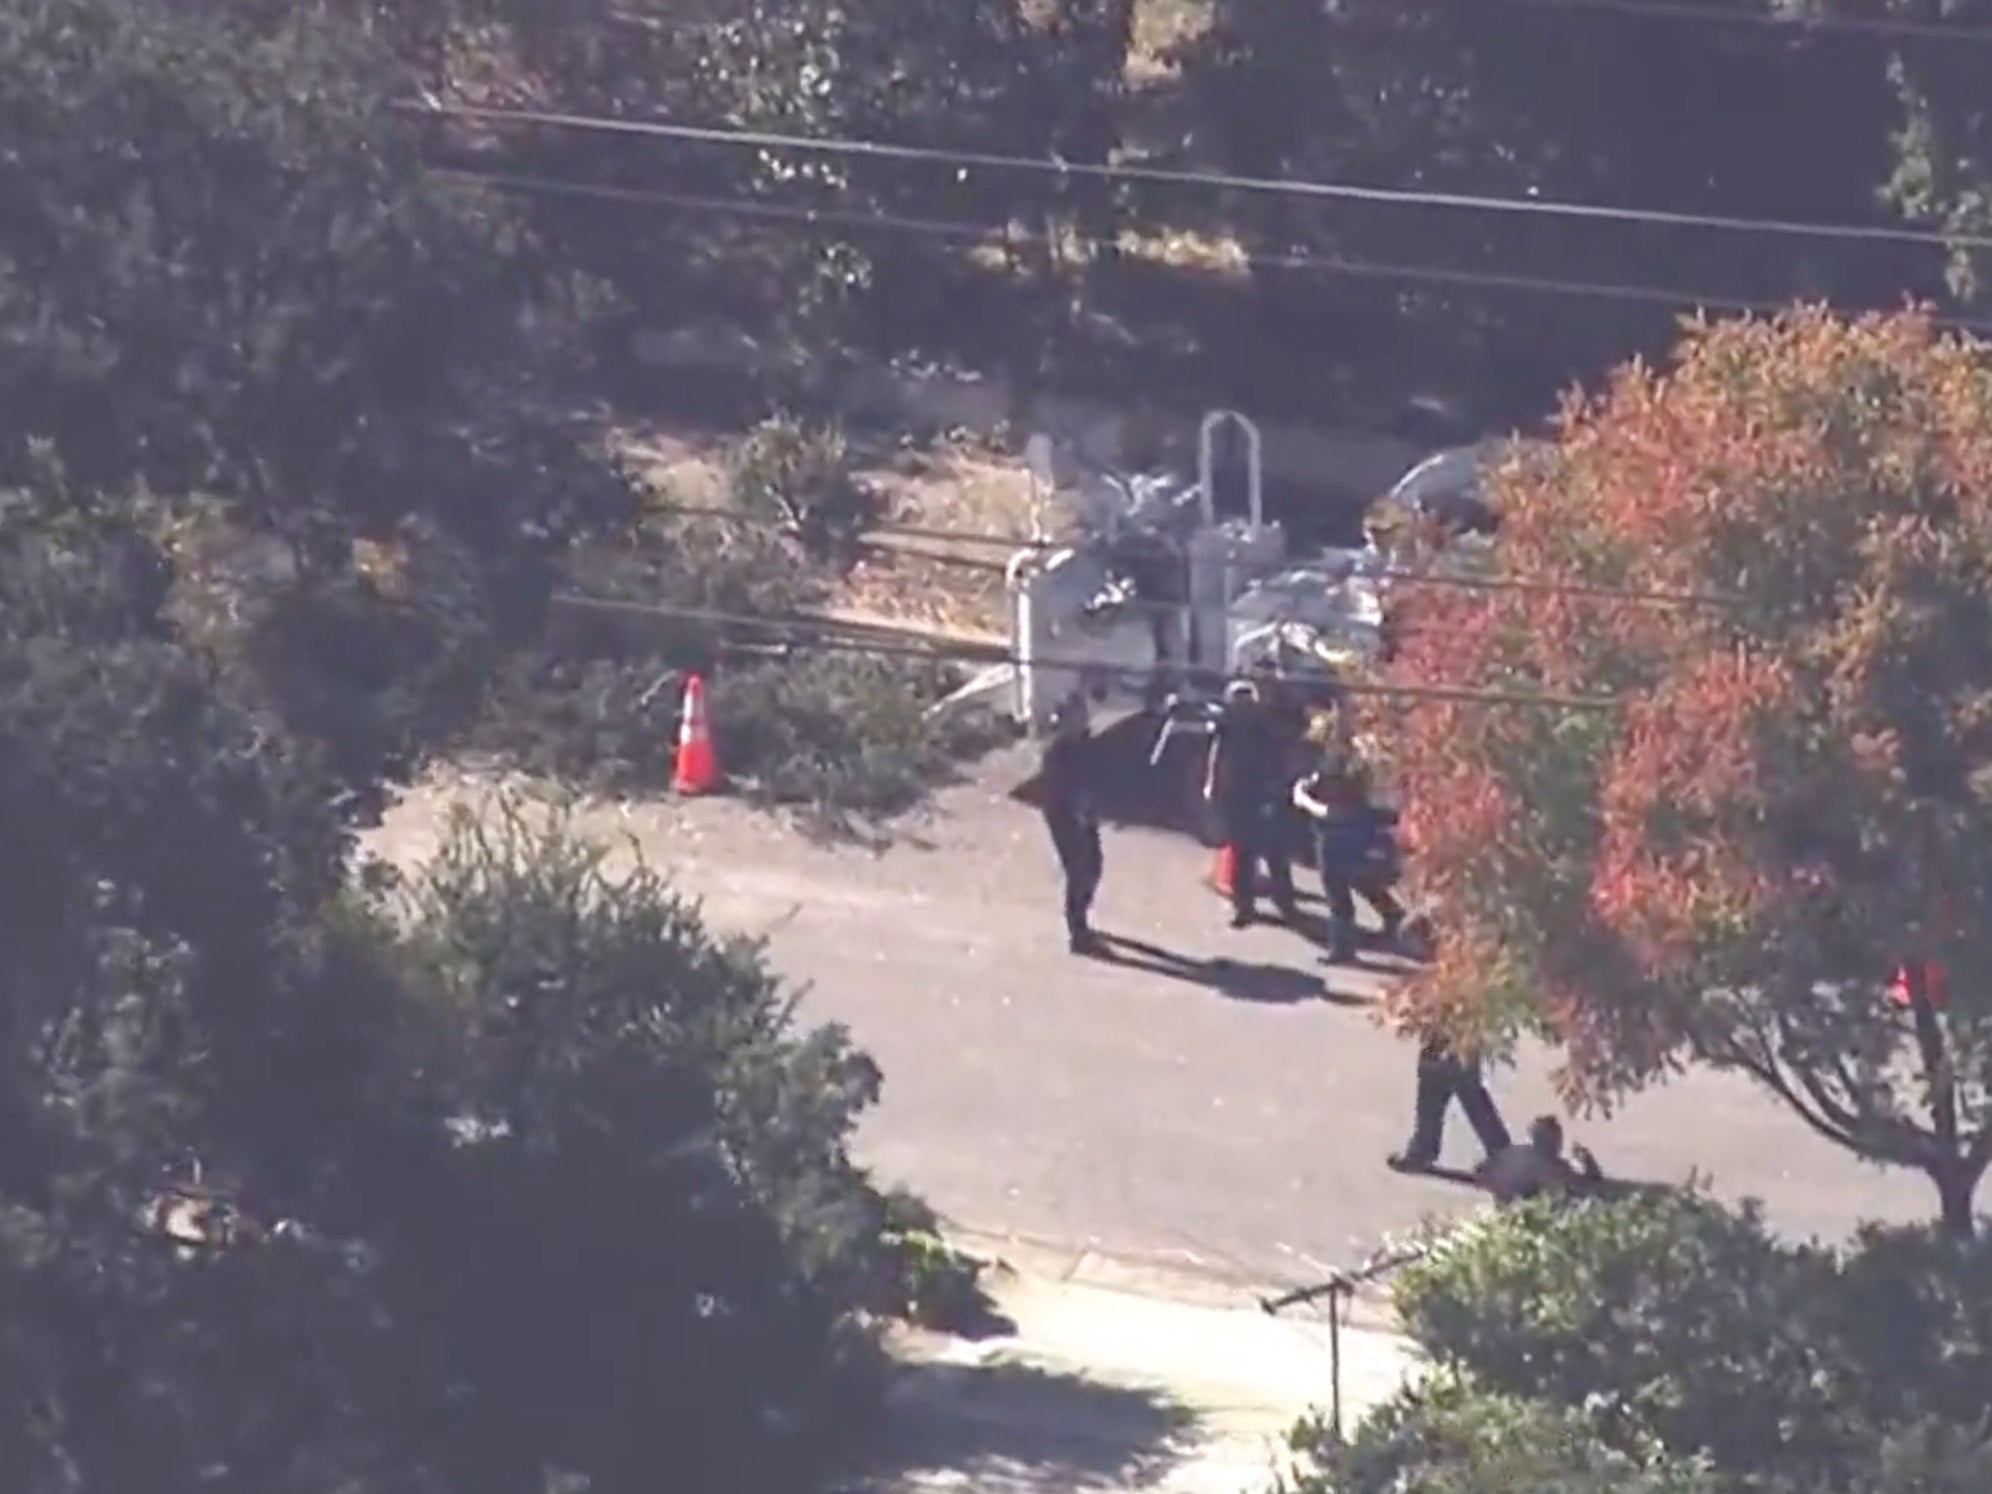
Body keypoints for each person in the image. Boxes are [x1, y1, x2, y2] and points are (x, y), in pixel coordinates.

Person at [1203, 678, 1297, 928]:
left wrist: (1275, 791)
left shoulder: (1264, 728)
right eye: (1237, 700)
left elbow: (1278, 761)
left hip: (1261, 794)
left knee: (1273, 853)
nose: (1241, 706)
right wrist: (1212, 786)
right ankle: (1245, 906)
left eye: (1245, 700)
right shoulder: (1225, 727)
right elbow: (1216, 757)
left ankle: (1284, 903)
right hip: (1238, 796)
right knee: (1244, 855)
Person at [1292, 755, 1405, 963]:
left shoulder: (1346, 776)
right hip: (1355, 831)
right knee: (1362, 879)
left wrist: (1304, 799)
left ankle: (1342, 950)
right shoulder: (1356, 765)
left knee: (1338, 894)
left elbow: (1331, 812)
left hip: (1336, 836)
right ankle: (1392, 914)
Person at [1387, 1032, 1511, 1173]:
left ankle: (1501, 1153)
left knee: (1466, 1088)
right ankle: (1423, 1149)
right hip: (1446, 1036)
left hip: (1459, 1033)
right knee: (1437, 1080)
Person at [1040, 693, 1105, 954]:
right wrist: (1075, 810)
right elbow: (1056, 788)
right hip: (1064, 816)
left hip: (1086, 814)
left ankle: (1082, 918)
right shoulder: (1058, 751)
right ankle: (1077, 932)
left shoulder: (1089, 745)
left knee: (1094, 866)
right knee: (1079, 870)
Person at [1478, 1115, 1606, 1204]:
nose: (1556, 1144)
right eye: (1552, 1139)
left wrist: (1589, 1163)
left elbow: (1590, 1187)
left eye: (1555, 1139)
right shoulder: (1515, 1158)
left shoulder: (1560, 1168)